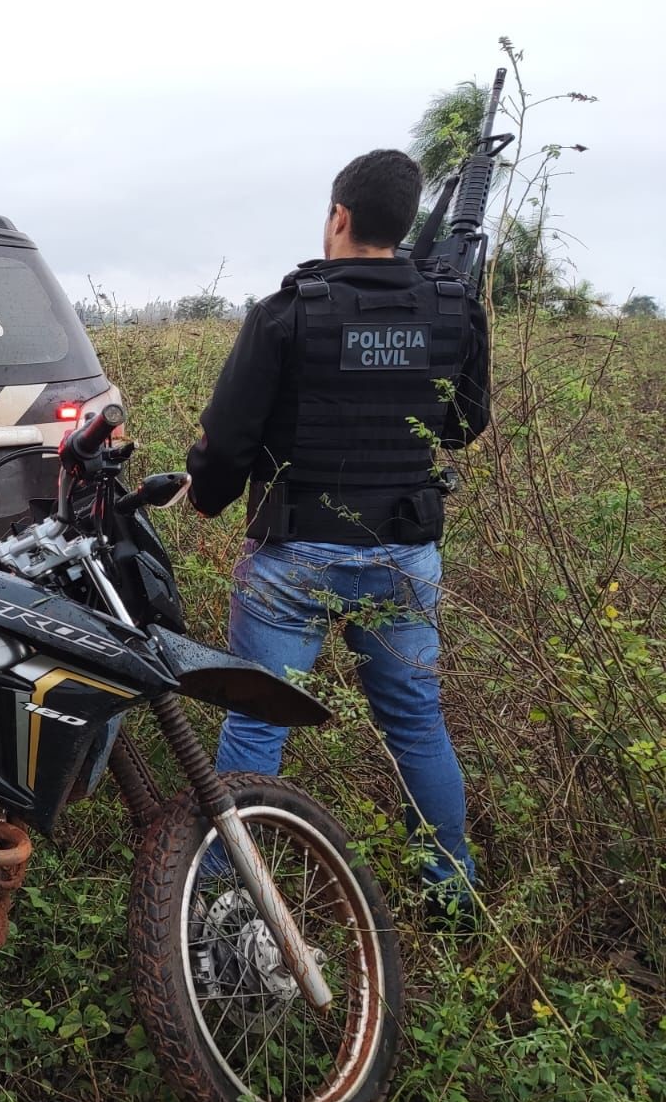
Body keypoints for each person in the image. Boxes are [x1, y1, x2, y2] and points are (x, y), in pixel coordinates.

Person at [185, 149, 490, 919]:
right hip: (404, 554)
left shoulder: (289, 311)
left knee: (257, 721)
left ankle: (226, 902)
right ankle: (451, 893)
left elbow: (226, 441)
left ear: (340, 217)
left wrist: (207, 498)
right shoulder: (455, 307)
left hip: (292, 562)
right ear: (406, 222)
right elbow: (464, 423)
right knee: (417, 721)